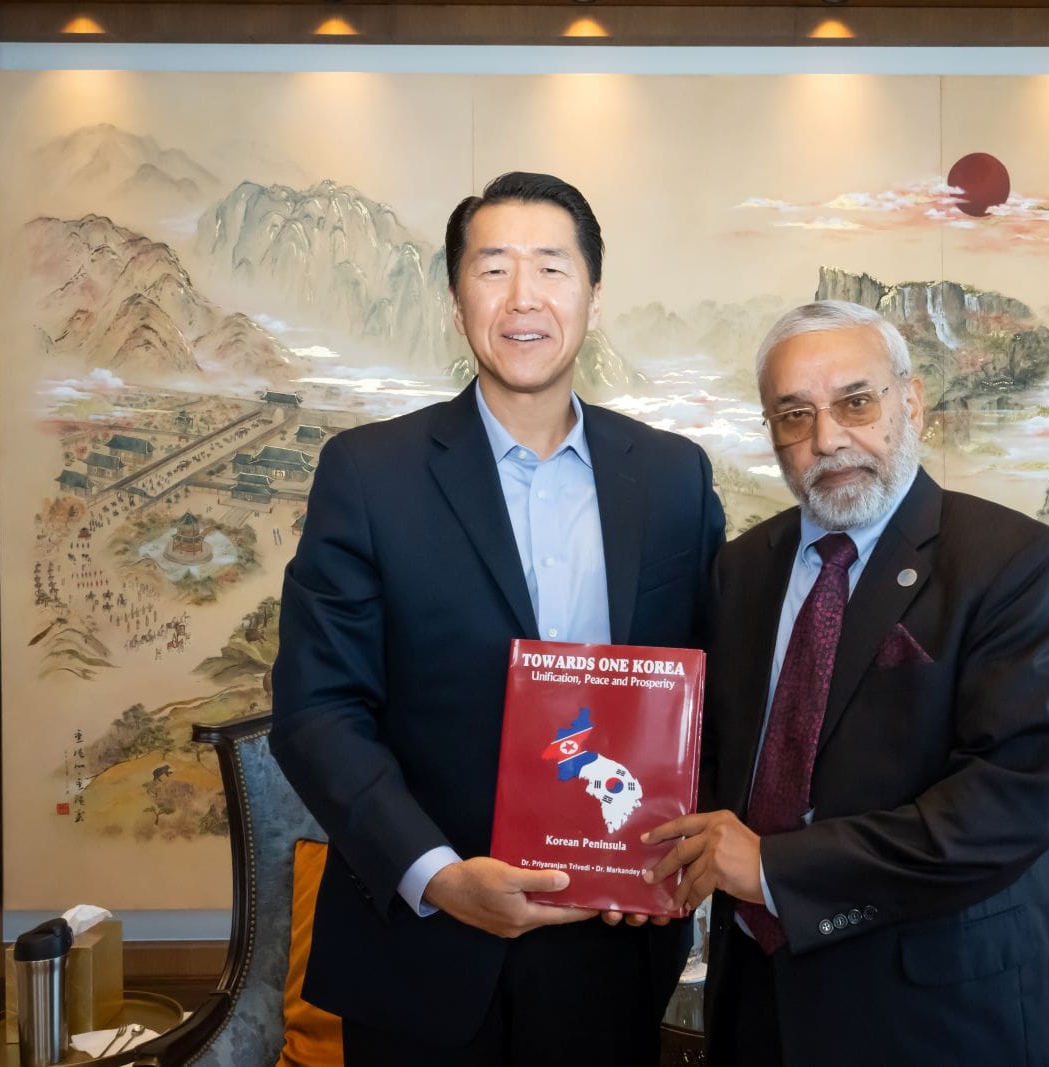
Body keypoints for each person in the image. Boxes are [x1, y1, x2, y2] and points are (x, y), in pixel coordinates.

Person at [271, 172, 724, 1066]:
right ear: (454, 298)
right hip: (423, 950)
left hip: (615, 941)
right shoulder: (369, 474)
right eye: (494, 269)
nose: (524, 299)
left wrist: (676, 846)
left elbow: (712, 687)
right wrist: (437, 876)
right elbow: (317, 711)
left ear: (593, 295)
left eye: (552, 268)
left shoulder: (673, 477)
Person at [643, 300, 1049, 1066]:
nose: (828, 439)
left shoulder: (1015, 563)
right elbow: (714, 757)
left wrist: (776, 868)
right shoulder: (741, 569)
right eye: (794, 414)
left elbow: (1005, 805)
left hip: (935, 1016)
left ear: (909, 402)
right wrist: (623, 848)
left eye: (855, 401)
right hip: (759, 1007)